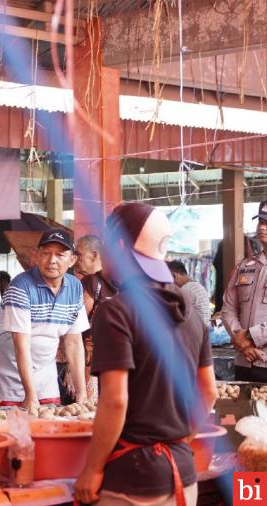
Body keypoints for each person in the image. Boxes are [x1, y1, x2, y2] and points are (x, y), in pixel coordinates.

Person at [75, 203, 217, 506]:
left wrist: (92, 468)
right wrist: (179, 440)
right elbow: (208, 392)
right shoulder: (189, 311)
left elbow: (115, 399)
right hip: (183, 474)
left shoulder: (116, 311)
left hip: (133, 480)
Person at [0, 228, 88, 412]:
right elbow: (21, 347)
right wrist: (31, 397)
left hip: (44, 374)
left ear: (72, 259)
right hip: (9, 375)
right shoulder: (21, 287)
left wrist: (81, 394)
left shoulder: (75, 288)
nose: (52, 260)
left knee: (52, 427)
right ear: (37, 255)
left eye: (60, 255)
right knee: (15, 431)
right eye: (46, 253)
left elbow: (74, 342)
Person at [221, 200, 267, 382]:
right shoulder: (244, 266)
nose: (262, 227)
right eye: (261, 222)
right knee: (243, 409)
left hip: (263, 359)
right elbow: (228, 308)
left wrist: (249, 336)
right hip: (244, 361)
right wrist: (242, 343)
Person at [76, 235, 118, 402]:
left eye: (78, 254)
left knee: (90, 411)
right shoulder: (117, 283)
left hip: (91, 363)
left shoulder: (90, 282)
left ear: (94, 255)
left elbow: (75, 324)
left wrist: (72, 367)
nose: (75, 259)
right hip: (117, 360)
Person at [167, 260, 211, 325]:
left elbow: (177, 312)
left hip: (197, 333)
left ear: (174, 276)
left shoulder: (188, 288)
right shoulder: (196, 286)